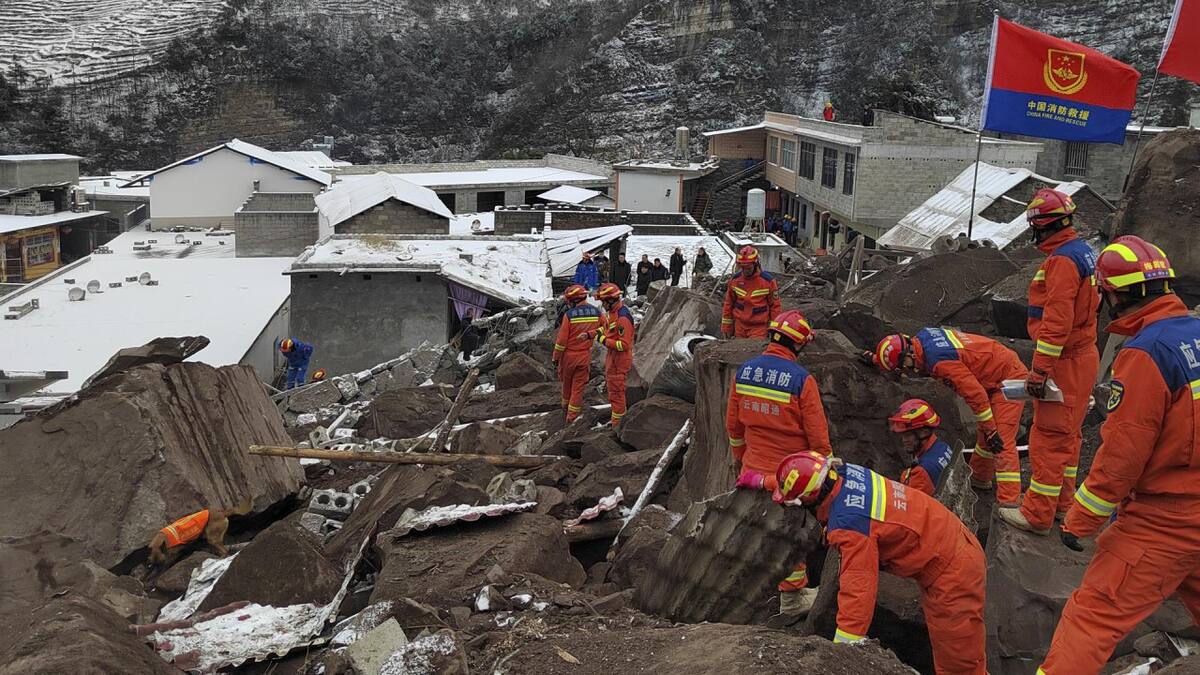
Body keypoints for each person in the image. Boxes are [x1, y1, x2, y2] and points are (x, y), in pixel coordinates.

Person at [1038, 237, 1199, 674]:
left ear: (1115, 295)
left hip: (1164, 523)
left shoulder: (1147, 353)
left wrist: (1080, 521)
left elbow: (1123, 456)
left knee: (1091, 618)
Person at [773, 452, 987, 675]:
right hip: (948, 543)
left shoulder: (850, 525)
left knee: (960, 667)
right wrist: (761, 480)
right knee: (958, 657)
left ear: (810, 501)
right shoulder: (846, 474)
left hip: (952, 570)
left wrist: (842, 652)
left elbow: (858, 591)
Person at [999, 188, 1099, 535]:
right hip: (1083, 356)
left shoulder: (1062, 262)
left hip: (1065, 361)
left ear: (1042, 226)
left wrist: (1039, 370)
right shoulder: (1083, 252)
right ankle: (1062, 505)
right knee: (1069, 437)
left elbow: (1057, 323)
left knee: (1048, 437)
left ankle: (1037, 514)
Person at [727, 310, 830, 616]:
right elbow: (818, 439)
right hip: (791, 477)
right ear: (797, 344)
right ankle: (792, 601)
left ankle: (751, 590)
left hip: (752, 470)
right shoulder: (801, 380)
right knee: (790, 537)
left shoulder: (744, 372)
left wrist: (742, 461)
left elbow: (734, 428)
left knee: (757, 529)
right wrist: (825, 472)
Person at [871, 328, 1026, 506]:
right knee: (986, 434)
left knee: (1000, 439)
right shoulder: (922, 339)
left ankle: (1010, 502)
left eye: (903, 365)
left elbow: (976, 395)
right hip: (994, 369)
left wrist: (991, 430)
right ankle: (979, 477)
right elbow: (897, 354)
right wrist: (876, 359)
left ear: (909, 354)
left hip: (1008, 378)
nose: (905, 370)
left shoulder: (940, 363)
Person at [552, 284, 600, 423]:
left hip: (568, 356)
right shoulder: (596, 312)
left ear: (574, 300)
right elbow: (606, 327)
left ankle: (565, 408)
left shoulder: (569, 315)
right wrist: (591, 334)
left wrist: (555, 358)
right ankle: (572, 417)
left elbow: (561, 341)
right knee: (578, 387)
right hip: (584, 355)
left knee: (567, 383)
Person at [888, 399, 954, 496]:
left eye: (908, 435)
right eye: (902, 435)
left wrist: (905, 478)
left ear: (924, 432)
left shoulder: (920, 473)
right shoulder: (943, 447)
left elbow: (910, 503)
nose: (904, 440)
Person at [595, 283, 635, 426]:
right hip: (613, 359)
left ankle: (618, 426)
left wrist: (603, 340)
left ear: (611, 300)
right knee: (613, 393)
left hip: (619, 361)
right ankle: (616, 422)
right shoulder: (613, 314)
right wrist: (592, 334)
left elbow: (623, 345)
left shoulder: (623, 318)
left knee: (617, 395)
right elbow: (607, 329)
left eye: (604, 302)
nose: (603, 305)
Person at [721, 245, 781, 338]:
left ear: (755, 264)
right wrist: (726, 327)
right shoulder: (735, 280)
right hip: (739, 327)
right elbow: (728, 304)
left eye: (748, 268)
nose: (745, 271)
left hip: (759, 328)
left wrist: (774, 329)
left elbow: (775, 306)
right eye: (742, 268)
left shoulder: (768, 281)